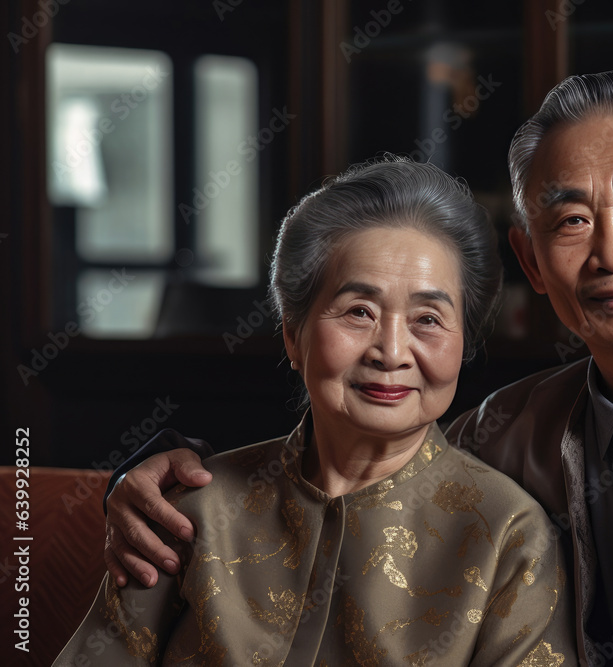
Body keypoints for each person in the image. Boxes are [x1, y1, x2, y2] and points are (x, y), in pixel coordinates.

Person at [104, 71, 613, 666]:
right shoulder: (503, 428)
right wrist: (154, 473)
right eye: (571, 220)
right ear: (532, 261)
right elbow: (364, 465)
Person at [56, 158, 575, 666]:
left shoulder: (508, 535)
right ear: (293, 335)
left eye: (428, 319)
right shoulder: (192, 513)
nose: (391, 352)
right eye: (358, 313)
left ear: (463, 345)